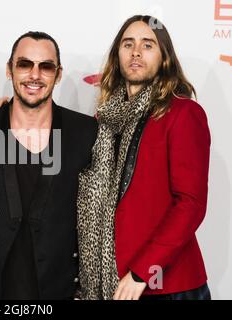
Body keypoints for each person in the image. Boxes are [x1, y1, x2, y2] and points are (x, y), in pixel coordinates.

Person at [0, 31, 98, 300]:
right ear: (9, 70)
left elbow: (98, 218)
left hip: (58, 290)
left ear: (58, 74)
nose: (34, 75)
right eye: (24, 64)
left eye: (46, 66)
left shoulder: (83, 131)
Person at [77, 15, 211, 300]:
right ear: (118, 55)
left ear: (164, 57)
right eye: (128, 44)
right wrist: (4, 113)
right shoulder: (105, 119)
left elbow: (191, 204)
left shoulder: (183, 113)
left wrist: (142, 272)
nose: (136, 52)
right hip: (113, 284)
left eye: (147, 44)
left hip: (166, 285)